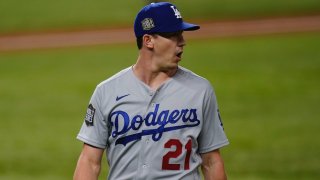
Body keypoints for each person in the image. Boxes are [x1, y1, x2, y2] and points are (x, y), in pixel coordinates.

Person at [73, 2, 229, 180]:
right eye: (173, 35)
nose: (182, 42)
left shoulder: (200, 90)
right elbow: (89, 161)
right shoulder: (106, 91)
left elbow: (211, 161)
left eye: (182, 34)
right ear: (148, 41)